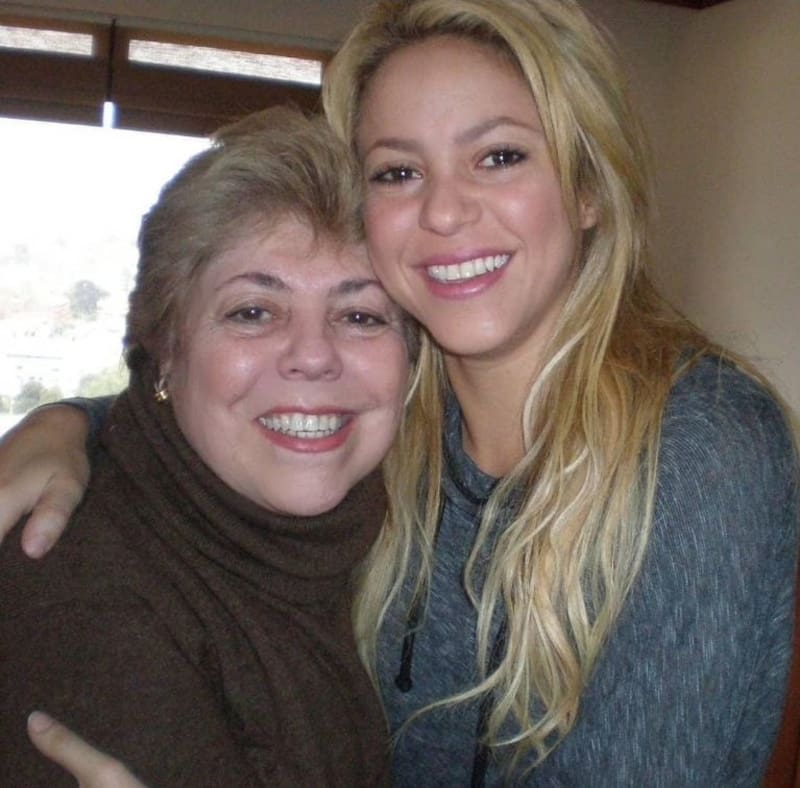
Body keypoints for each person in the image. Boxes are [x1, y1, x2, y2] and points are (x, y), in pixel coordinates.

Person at [1, 0, 798, 785]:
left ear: (590, 188)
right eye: (398, 172)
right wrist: (75, 423)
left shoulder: (700, 451)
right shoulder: (400, 422)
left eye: (500, 156)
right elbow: (233, 409)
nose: (444, 211)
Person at [0, 105, 415, 786]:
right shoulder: (90, 602)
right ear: (165, 347)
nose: (314, 355)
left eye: (361, 315)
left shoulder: (379, 532)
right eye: (253, 312)